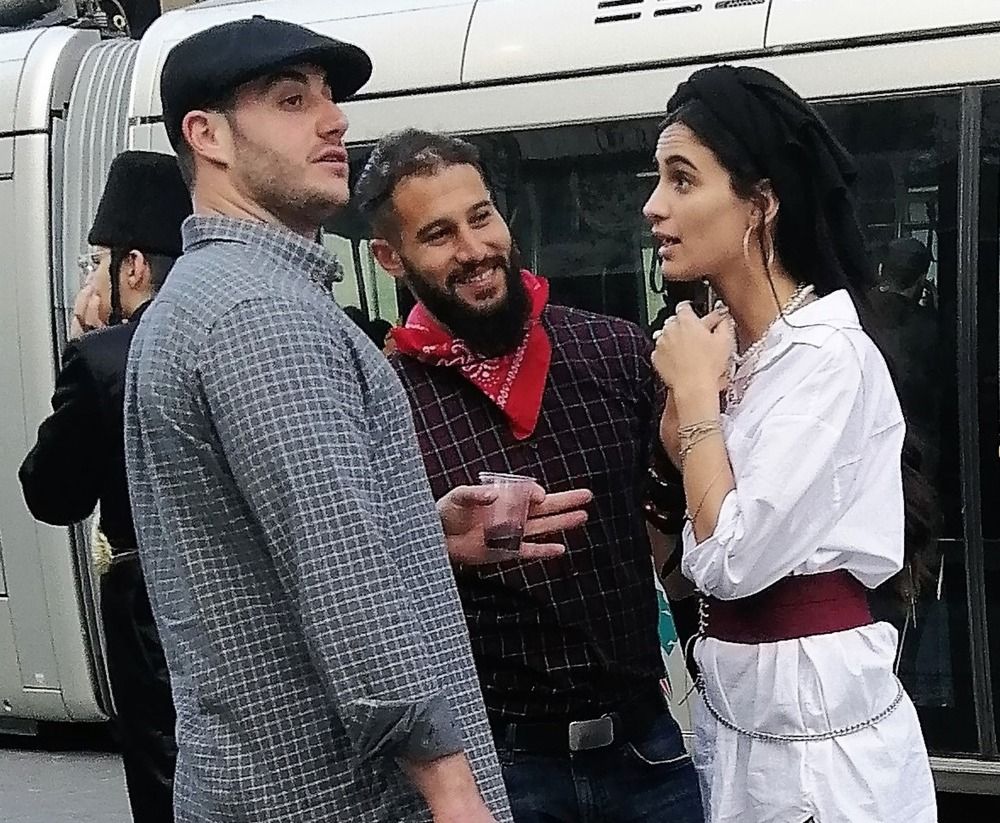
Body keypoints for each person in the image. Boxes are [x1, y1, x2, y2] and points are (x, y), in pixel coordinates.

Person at [123, 17, 589, 823]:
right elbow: (344, 585)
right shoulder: (264, 314)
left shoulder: (200, 300)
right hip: (343, 797)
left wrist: (419, 533)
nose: (334, 120)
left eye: (329, 97)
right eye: (291, 100)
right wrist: (454, 792)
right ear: (207, 136)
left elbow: (268, 552)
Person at [354, 129, 703, 823]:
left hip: (648, 749)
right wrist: (437, 544)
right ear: (390, 257)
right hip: (500, 768)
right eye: (439, 234)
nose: (474, 249)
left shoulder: (613, 352)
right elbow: (360, 586)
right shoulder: (381, 401)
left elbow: (672, 517)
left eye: (481, 217)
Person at [644, 64, 937, 822]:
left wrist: (695, 404)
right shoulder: (740, 355)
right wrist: (683, 435)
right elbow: (692, 559)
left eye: (682, 179)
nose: (654, 206)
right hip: (747, 726)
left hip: (817, 757)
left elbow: (733, 559)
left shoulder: (826, 357)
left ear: (761, 203)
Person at [19, 149, 191, 823]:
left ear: (134, 266)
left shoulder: (105, 358)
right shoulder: (239, 328)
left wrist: (84, 351)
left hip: (151, 610)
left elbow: (52, 491)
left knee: (169, 777)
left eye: (98, 262)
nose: (92, 278)